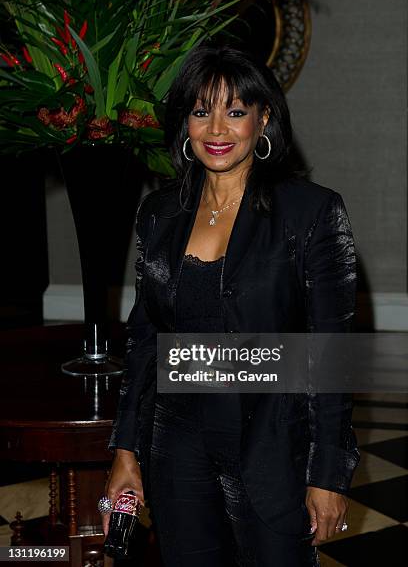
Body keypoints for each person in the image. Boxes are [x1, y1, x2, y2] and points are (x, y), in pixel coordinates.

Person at [101, 44, 360, 566]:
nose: (217, 129)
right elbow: (146, 339)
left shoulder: (310, 212)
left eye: (235, 111)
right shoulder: (159, 213)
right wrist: (126, 453)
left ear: (263, 119)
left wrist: (327, 473)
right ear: (184, 124)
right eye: (201, 111)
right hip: (175, 446)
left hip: (271, 448)